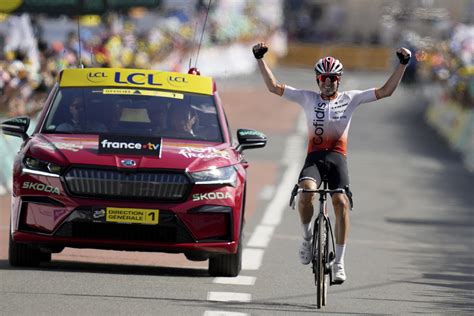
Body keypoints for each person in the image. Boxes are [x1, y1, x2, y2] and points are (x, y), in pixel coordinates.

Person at [252, 42, 411, 283]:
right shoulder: (307, 98)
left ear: (339, 80)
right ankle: (306, 239)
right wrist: (260, 59)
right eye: (324, 78)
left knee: (341, 202)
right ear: (317, 80)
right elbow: (274, 87)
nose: (328, 82)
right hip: (314, 158)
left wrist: (403, 64)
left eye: (333, 78)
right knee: (306, 194)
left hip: (337, 158)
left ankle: (339, 262)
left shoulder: (351, 98)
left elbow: (385, 91)